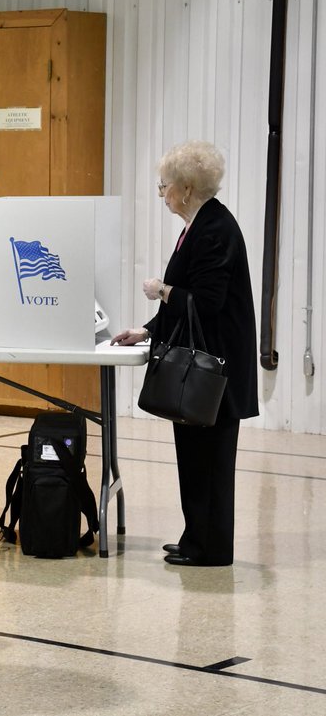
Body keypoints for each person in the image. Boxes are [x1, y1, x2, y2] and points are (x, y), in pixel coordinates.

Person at [110, 140, 257, 567]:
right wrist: (146, 329)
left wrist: (162, 290)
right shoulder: (201, 224)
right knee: (195, 458)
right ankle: (196, 537)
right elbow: (192, 306)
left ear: (187, 188)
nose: (163, 194)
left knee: (209, 462)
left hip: (213, 372)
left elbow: (205, 302)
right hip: (204, 367)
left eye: (165, 186)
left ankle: (210, 549)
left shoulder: (213, 230)